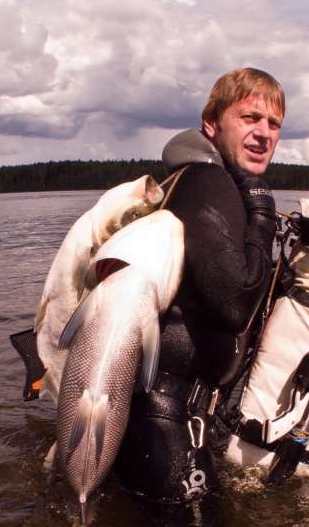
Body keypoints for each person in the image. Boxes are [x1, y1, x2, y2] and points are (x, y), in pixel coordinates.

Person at [115, 67, 284, 503]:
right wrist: (263, 213)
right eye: (250, 118)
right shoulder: (209, 182)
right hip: (167, 422)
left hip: (153, 415)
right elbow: (235, 300)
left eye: (274, 124)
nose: (264, 133)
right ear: (212, 123)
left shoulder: (188, 181)